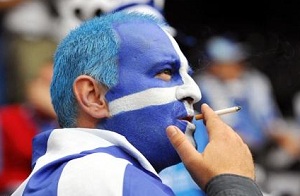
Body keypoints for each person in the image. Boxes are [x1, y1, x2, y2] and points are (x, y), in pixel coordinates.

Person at [12, 12, 262, 195]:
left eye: (188, 76)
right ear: (94, 97)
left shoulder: (71, 176)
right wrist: (234, 184)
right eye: (165, 72)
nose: (193, 92)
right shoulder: (111, 180)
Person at [0, 61, 58, 195]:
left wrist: (57, 113)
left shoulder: (69, 123)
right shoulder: (7, 117)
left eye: (52, 86)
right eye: (43, 82)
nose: (45, 92)